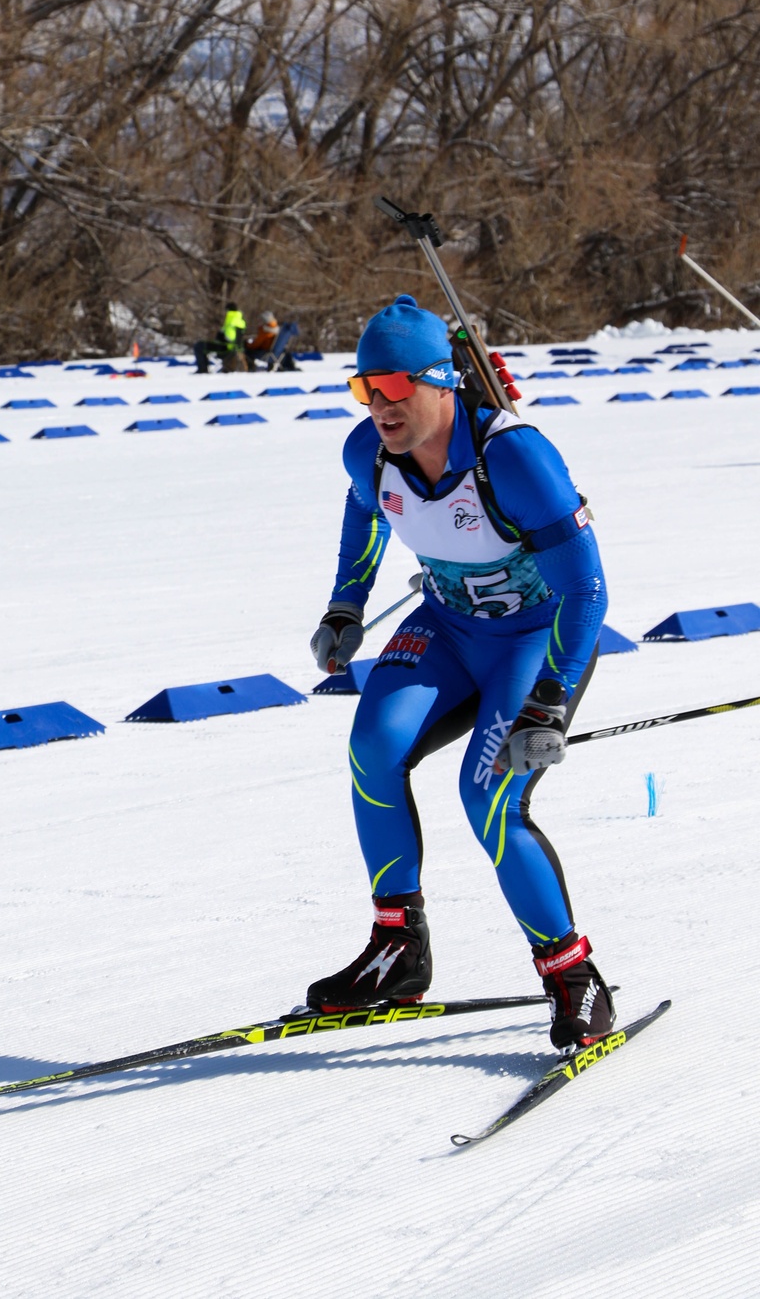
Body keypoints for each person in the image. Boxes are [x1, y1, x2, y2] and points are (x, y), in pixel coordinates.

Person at [307, 294, 614, 1051]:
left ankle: (574, 977)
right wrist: (346, 607)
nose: (379, 405)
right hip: (446, 629)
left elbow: (587, 590)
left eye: (395, 387)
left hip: (534, 643)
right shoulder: (368, 451)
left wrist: (548, 702)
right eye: (363, 388)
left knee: (488, 798)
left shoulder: (515, 456)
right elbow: (364, 513)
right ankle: (397, 951)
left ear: (442, 381)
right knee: (372, 748)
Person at [193, 306, 247, 373]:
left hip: (226, 347)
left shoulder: (231, 318)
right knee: (200, 345)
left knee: (199, 346)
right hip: (229, 347)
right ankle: (203, 369)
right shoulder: (239, 319)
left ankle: (202, 369)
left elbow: (230, 338)